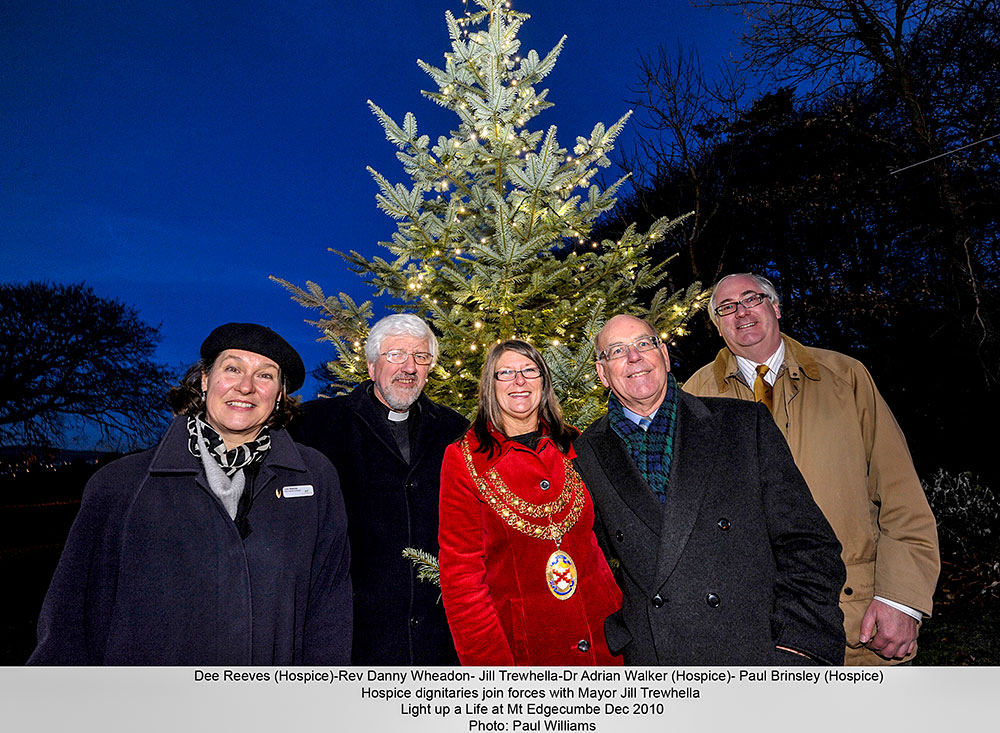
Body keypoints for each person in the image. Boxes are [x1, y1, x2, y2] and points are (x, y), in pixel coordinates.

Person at [29, 323, 351, 665]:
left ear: (279, 394)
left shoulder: (314, 478)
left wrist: (321, 699)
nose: (246, 386)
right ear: (204, 380)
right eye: (232, 369)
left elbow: (329, 604)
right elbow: (70, 615)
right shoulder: (121, 484)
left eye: (265, 376)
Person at [684, 273, 940, 665]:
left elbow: (900, 494)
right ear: (718, 326)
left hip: (855, 621)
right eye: (726, 308)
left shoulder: (846, 377)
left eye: (752, 299)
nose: (741, 313)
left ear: (776, 307)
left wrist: (901, 598)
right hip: (749, 629)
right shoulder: (694, 397)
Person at [573, 314, 845, 665]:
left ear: (665, 356)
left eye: (644, 344)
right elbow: (583, 564)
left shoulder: (743, 425)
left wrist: (797, 646)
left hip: (755, 652)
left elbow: (808, 544)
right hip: (655, 664)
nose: (634, 357)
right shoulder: (586, 453)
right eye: (617, 351)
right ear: (602, 373)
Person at [291, 314, 467, 665]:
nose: (409, 367)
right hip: (352, 638)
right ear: (372, 367)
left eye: (420, 357)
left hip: (439, 640)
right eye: (396, 355)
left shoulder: (455, 431)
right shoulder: (314, 425)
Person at [438, 340, 623, 666]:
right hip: (530, 654)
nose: (519, 380)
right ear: (489, 386)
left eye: (529, 370)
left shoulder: (577, 444)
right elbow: (462, 582)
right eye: (505, 373)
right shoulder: (464, 460)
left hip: (607, 643)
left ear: (544, 382)